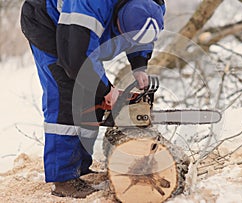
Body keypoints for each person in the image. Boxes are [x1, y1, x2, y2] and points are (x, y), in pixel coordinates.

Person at [20, 0, 165, 198]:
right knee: (66, 95)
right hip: (46, 20)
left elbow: (143, 32)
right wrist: (105, 89)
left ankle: (80, 168)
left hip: (81, 27)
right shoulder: (90, 3)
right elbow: (77, 61)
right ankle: (63, 178)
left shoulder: (153, 6)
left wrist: (139, 65)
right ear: (117, 21)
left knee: (89, 93)